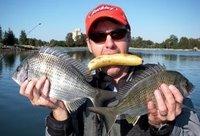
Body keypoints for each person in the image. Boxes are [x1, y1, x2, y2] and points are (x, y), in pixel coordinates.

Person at [19, 4, 200, 136]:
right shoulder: (75, 88)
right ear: (89, 45)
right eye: (98, 36)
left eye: (117, 34)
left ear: (129, 37)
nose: (109, 44)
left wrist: (163, 127)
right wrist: (59, 112)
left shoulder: (166, 85)